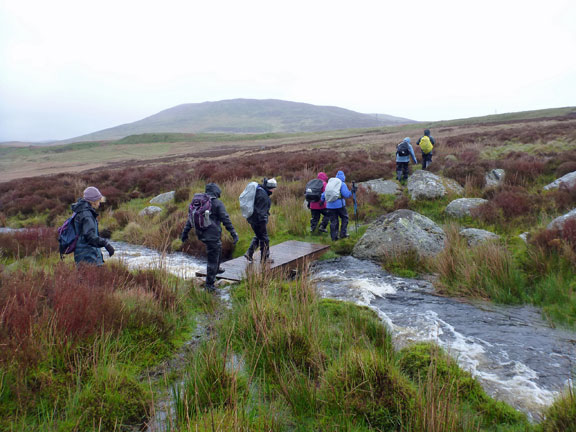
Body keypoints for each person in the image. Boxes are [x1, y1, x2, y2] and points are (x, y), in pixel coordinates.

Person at [181, 183, 239, 292]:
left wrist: (185, 233)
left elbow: (190, 219)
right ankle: (209, 285)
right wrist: (234, 234)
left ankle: (216, 269)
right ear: (216, 192)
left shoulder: (199, 203)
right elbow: (226, 219)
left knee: (218, 248)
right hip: (212, 235)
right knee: (213, 257)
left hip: (201, 233)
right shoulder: (217, 203)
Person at [72, 186, 115, 265]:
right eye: (99, 200)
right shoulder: (87, 215)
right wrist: (106, 244)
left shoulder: (81, 210)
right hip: (88, 256)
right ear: (93, 201)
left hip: (83, 254)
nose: (99, 203)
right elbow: (90, 236)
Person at [244, 177, 277, 263]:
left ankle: (249, 253)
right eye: (273, 188)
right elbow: (261, 212)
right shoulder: (263, 196)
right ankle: (265, 259)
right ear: (270, 188)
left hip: (252, 218)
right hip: (258, 220)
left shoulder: (259, 190)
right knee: (265, 239)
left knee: (259, 236)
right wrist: (263, 223)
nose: (274, 190)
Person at [322, 171, 353, 241]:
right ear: (343, 177)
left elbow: (324, 195)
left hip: (329, 205)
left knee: (333, 221)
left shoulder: (330, 183)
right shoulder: (342, 184)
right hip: (340, 205)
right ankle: (343, 234)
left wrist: (322, 201)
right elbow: (346, 195)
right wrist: (352, 191)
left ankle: (334, 237)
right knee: (345, 218)